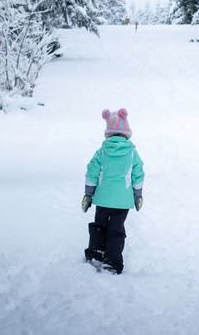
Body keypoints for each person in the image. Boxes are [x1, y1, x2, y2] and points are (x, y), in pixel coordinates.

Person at [81, 108, 144, 274]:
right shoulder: (132, 153)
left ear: (108, 133)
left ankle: (95, 253)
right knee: (116, 229)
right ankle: (113, 261)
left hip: (102, 198)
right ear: (126, 133)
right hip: (123, 201)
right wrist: (138, 195)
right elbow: (138, 175)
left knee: (100, 225)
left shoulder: (102, 152)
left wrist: (89, 194)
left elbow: (92, 173)